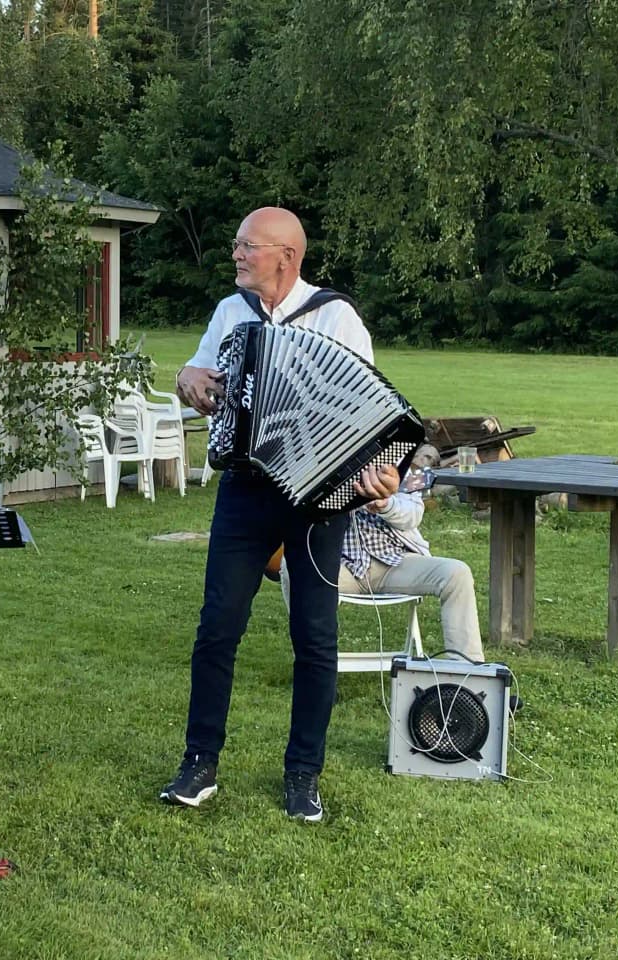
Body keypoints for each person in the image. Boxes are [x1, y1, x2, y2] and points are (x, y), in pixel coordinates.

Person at [161, 206, 399, 823]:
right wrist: (188, 377)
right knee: (217, 626)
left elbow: (373, 410)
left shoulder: (337, 316)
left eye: (248, 247)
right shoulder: (229, 312)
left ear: (287, 258)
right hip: (246, 487)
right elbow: (198, 378)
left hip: (319, 497)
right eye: (237, 244)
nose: (236, 255)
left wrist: (381, 475)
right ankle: (199, 763)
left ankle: (303, 775)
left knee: (314, 637)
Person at [281, 464, 486, 663]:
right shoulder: (324, 462)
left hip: (395, 561)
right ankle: (313, 660)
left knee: (457, 573)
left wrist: (385, 504)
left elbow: (412, 515)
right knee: (293, 568)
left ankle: (468, 672)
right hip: (340, 566)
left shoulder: (395, 462)